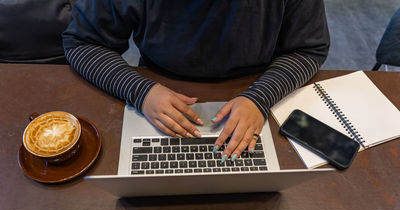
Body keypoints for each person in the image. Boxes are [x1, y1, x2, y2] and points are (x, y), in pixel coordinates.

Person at [62, 0, 330, 162]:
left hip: (257, 90)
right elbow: (83, 42)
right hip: (160, 88)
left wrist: (260, 98)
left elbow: (308, 48)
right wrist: (140, 91)